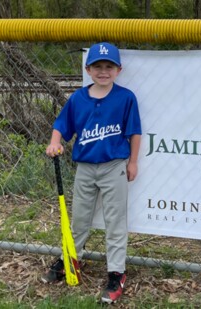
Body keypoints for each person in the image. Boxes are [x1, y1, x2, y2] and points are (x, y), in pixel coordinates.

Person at [41, 42, 141, 304]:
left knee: (115, 222)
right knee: (80, 220)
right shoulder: (78, 98)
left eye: (109, 67)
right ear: (88, 69)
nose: (103, 71)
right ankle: (71, 261)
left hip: (113, 167)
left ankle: (116, 273)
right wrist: (55, 141)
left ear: (119, 70)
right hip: (85, 168)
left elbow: (134, 132)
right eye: (98, 66)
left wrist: (133, 162)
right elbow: (61, 125)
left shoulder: (126, 97)